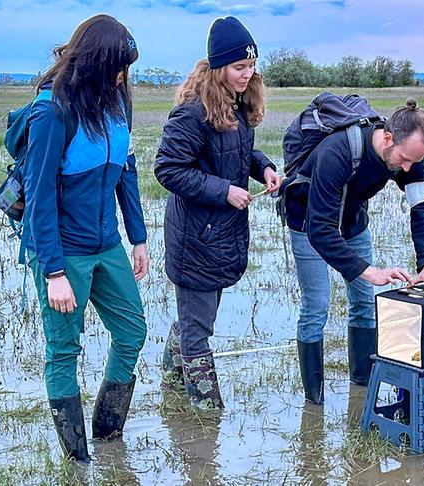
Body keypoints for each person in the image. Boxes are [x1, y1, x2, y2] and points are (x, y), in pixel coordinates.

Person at [23, 14, 148, 462]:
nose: (123, 76)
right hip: (65, 252)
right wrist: (53, 271)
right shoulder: (53, 110)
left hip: (108, 245)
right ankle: (77, 460)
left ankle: (107, 432)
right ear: (96, 60)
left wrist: (138, 237)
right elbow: (37, 196)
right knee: (64, 351)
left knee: (133, 331)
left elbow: (126, 173)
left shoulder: (118, 103)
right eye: (118, 65)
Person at [154, 16, 281, 410]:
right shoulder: (193, 113)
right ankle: (207, 415)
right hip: (195, 236)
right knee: (198, 327)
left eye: (252, 66)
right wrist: (223, 191)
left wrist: (263, 168)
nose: (248, 74)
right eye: (239, 67)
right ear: (218, 67)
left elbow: (238, 152)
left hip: (220, 234)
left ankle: (170, 378)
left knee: (195, 318)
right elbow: (167, 168)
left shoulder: (239, 105)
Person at [283, 99, 424, 404]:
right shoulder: (337, 152)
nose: (407, 169)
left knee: (364, 304)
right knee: (316, 306)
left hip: (353, 222)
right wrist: (368, 271)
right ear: (387, 138)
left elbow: (423, 209)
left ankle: (362, 388)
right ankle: (314, 401)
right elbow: (321, 230)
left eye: (414, 162)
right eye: (404, 159)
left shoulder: (412, 157)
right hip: (307, 221)